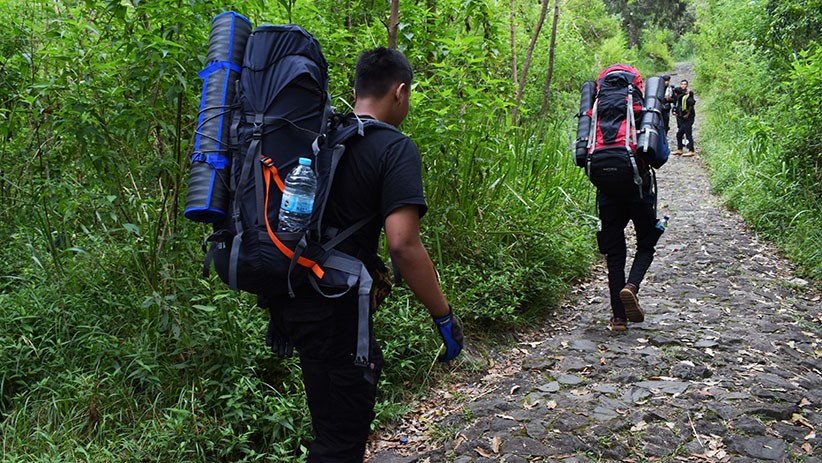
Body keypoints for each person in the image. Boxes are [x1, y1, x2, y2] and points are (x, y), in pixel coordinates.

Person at [264, 47, 463, 463]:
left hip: (291, 295)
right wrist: (443, 315)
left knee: (330, 425)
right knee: (340, 441)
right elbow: (403, 244)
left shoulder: (321, 136)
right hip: (334, 309)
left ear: (355, 89)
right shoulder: (394, 148)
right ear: (401, 92)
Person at [596, 115, 669, 331]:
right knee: (646, 246)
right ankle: (631, 286)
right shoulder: (644, 112)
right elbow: (660, 157)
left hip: (608, 195)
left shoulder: (598, 114)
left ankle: (619, 318)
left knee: (615, 255)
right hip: (640, 193)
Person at [672, 79, 696, 156]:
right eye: (682, 84)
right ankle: (680, 149)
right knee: (679, 134)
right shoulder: (678, 95)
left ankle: (691, 150)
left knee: (688, 133)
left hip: (688, 118)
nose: (683, 86)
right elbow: (675, 104)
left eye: (684, 84)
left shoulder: (688, 95)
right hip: (681, 117)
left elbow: (691, 104)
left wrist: (688, 114)